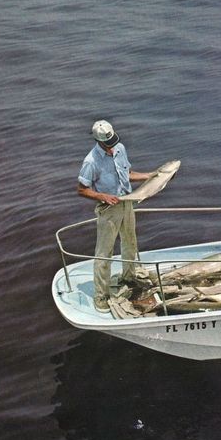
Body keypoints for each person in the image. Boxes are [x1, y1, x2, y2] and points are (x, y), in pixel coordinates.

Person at [77, 120, 152, 313]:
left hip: (127, 202)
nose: (111, 145)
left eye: (112, 140)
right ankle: (101, 296)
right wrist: (102, 196)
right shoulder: (91, 161)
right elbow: (82, 189)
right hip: (108, 208)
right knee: (105, 253)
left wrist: (150, 176)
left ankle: (129, 277)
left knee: (130, 243)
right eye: (107, 143)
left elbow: (127, 174)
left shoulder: (120, 148)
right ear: (99, 140)